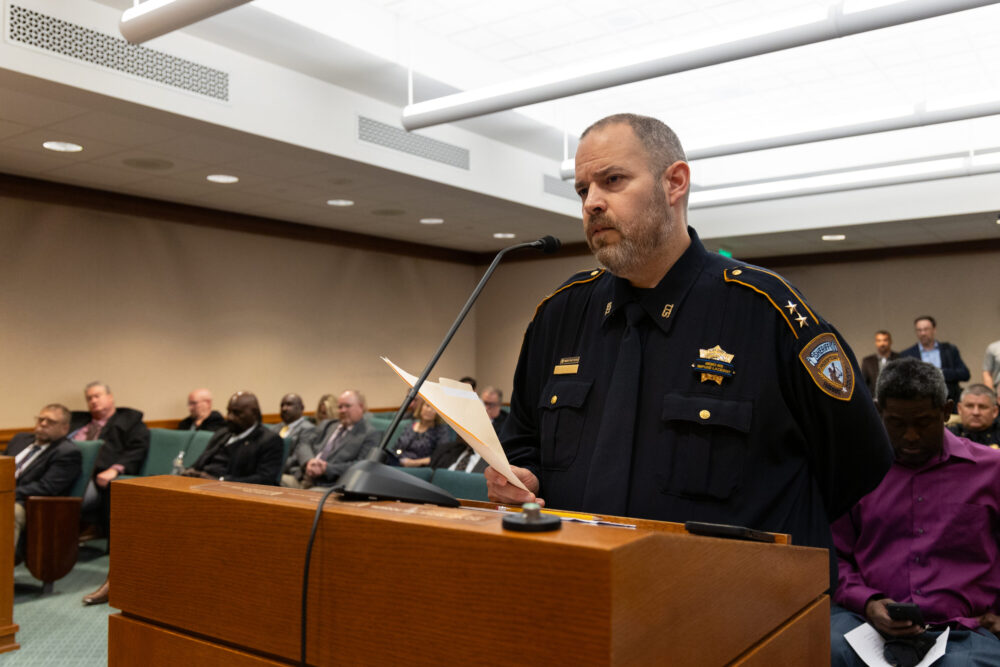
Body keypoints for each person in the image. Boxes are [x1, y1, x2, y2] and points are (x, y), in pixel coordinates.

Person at [487, 113, 893, 580]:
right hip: (580, 589)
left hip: (729, 606)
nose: (592, 204)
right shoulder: (559, 314)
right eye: (582, 190)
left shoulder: (766, 311)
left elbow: (861, 458)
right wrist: (523, 478)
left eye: (612, 180)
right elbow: (522, 443)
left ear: (674, 183)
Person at [831, 358, 1000, 666]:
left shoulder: (991, 471)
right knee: (823, 650)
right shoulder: (856, 471)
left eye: (923, 423)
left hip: (965, 630)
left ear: (947, 411)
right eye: (896, 423)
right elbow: (834, 554)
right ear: (878, 410)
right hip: (865, 623)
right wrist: (867, 603)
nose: (910, 436)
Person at [6, 404, 82, 551]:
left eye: (51, 422)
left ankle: (3, 570)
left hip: (28, 504)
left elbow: (47, 487)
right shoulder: (20, 439)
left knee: (7, 512)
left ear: (65, 428)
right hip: (6, 494)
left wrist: (6, 495)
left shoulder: (67, 452)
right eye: (41, 419)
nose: (43, 424)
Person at [182, 392, 284, 485]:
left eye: (237, 413)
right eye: (228, 411)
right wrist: (190, 473)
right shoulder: (223, 433)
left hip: (231, 493)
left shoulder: (269, 440)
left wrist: (220, 482)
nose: (230, 417)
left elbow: (265, 479)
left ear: (254, 414)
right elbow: (199, 463)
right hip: (201, 485)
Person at [299, 390, 380, 489]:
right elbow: (304, 442)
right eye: (340, 407)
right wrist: (309, 461)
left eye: (347, 406)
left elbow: (363, 466)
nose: (342, 410)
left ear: (361, 407)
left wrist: (327, 468)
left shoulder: (369, 434)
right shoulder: (328, 425)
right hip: (303, 476)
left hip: (330, 485)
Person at [430, 387, 506, 473]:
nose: (485, 408)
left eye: (490, 404)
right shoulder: (444, 450)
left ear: (499, 405)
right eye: (483, 403)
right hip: (463, 450)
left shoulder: (506, 425)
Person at [899, 317, 969, 407]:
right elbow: (903, 382)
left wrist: (940, 373)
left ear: (934, 330)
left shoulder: (949, 350)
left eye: (926, 329)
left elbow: (965, 374)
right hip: (920, 403)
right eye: (919, 330)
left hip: (949, 401)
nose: (923, 333)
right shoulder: (907, 355)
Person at [395, 398, 452, 467]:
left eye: (434, 409)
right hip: (398, 462)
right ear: (421, 407)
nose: (429, 410)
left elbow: (440, 456)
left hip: (419, 467)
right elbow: (397, 447)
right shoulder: (410, 425)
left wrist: (413, 462)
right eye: (427, 406)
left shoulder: (441, 431)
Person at [948, 384, 1000, 448]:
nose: (976, 412)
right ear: (960, 409)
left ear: (995, 411)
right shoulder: (947, 436)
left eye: (982, 407)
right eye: (970, 406)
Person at [860, 330, 899, 396]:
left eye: (885, 340)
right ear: (876, 342)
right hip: (875, 401)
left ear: (890, 341)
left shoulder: (899, 359)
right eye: (879, 341)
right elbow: (863, 384)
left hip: (895, 399)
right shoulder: (867, 361)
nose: (882, 344)